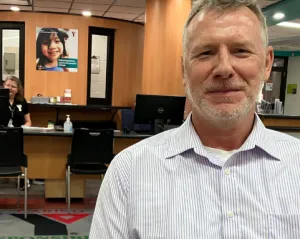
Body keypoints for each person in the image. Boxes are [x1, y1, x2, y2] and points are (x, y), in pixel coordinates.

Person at [89, 0, 300, 238]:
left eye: (241, 50)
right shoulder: (128, 172)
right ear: (183, 69)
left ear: (267, 63)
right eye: (205, 53)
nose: (224, 68)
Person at [0, 76, 32, 190]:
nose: (10, 88)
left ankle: (22, 176)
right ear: (3, 86)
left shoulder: (22, 101)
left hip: (15, 135)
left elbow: (28, 121)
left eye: (13, 86)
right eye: (8, 85)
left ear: (18, 89)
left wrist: (24, 127)